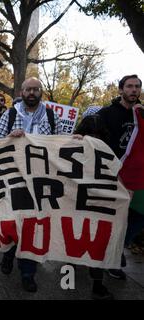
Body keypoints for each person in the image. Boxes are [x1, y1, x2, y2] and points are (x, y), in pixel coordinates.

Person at [0, 77, 63, 293]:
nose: (31, 92)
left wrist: (77, 140)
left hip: (42, 181)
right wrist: (9, 137)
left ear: (41, 92)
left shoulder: (52, 116)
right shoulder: (11, 113)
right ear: (21, 92)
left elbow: (62, 144)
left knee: (33, 227)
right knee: (14, 223)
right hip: (14, 180)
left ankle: (27, 273)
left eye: (35, 89)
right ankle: (8, 253)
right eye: (28, 89)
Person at [96, 74, 144, 280]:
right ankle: (109, 259)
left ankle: (117, 248)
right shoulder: (106, 113)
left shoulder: (142, 114)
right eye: (129, 86)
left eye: (137, 87)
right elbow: (92, 137)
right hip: (111, 176)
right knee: (113, 221)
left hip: (137, 177)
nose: (134, 90)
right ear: (121, 89)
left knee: (139, 216)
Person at [74, 112, 114, 300]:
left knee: (98, 239)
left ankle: (97, 280)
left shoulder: (109, 150)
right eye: (91, 133)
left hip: (98, 200)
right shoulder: (74, 145)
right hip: (78, 199)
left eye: (97, 134)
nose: (94, 138)